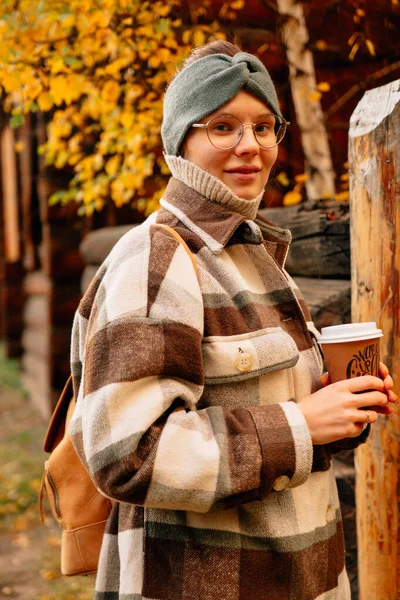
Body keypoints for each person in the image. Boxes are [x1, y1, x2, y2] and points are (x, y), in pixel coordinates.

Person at [68, 40, 397, 600]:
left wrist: (338, 409)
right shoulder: (159, 259)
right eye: (223, 127)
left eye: (265, 127)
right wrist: (302, 425)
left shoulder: (252, 256)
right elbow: (126, 454)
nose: (251, 147)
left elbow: (266, 416)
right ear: (181, 142)